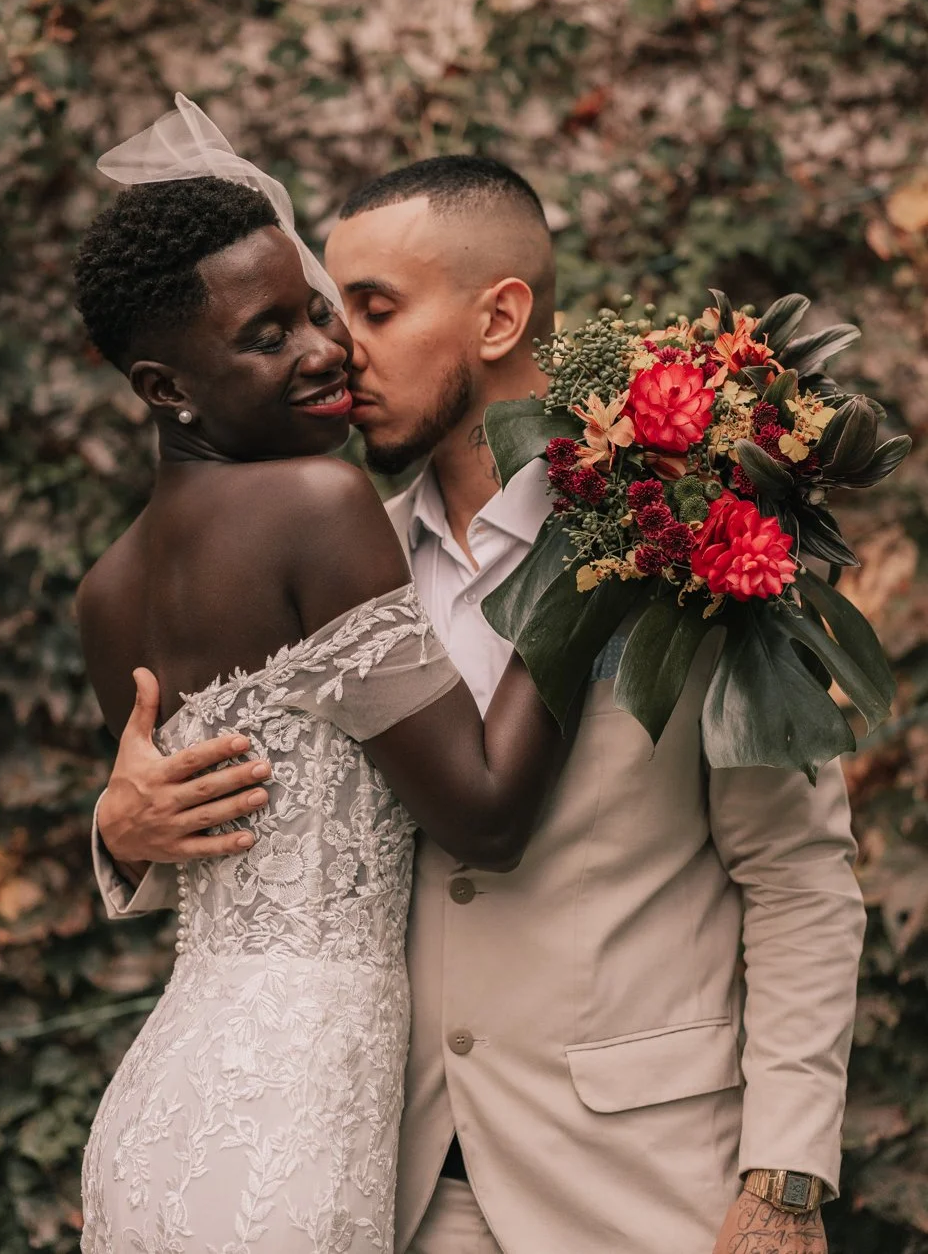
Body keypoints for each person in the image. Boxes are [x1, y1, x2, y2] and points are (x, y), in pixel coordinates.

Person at [92, 150, 867, 1254]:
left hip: (637, 1188)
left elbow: (795, 878)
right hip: (386, 1180)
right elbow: (259, 798)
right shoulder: (335, 563)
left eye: (370, 307)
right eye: (320, 308)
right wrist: (118, 833)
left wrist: (784, 1178)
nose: (334, 347)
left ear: (498, 318)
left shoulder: (686, 541)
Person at [73, 97, 584, 1254]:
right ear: (165, 388)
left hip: (175, 1101)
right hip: (292, 1124)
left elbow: (186, 836)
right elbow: (485, 812)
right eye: (269, 337)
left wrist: (111, 829)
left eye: (319, 312)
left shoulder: (104, 589)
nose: (325, 353)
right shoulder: (318, 506)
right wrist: (595, 547)